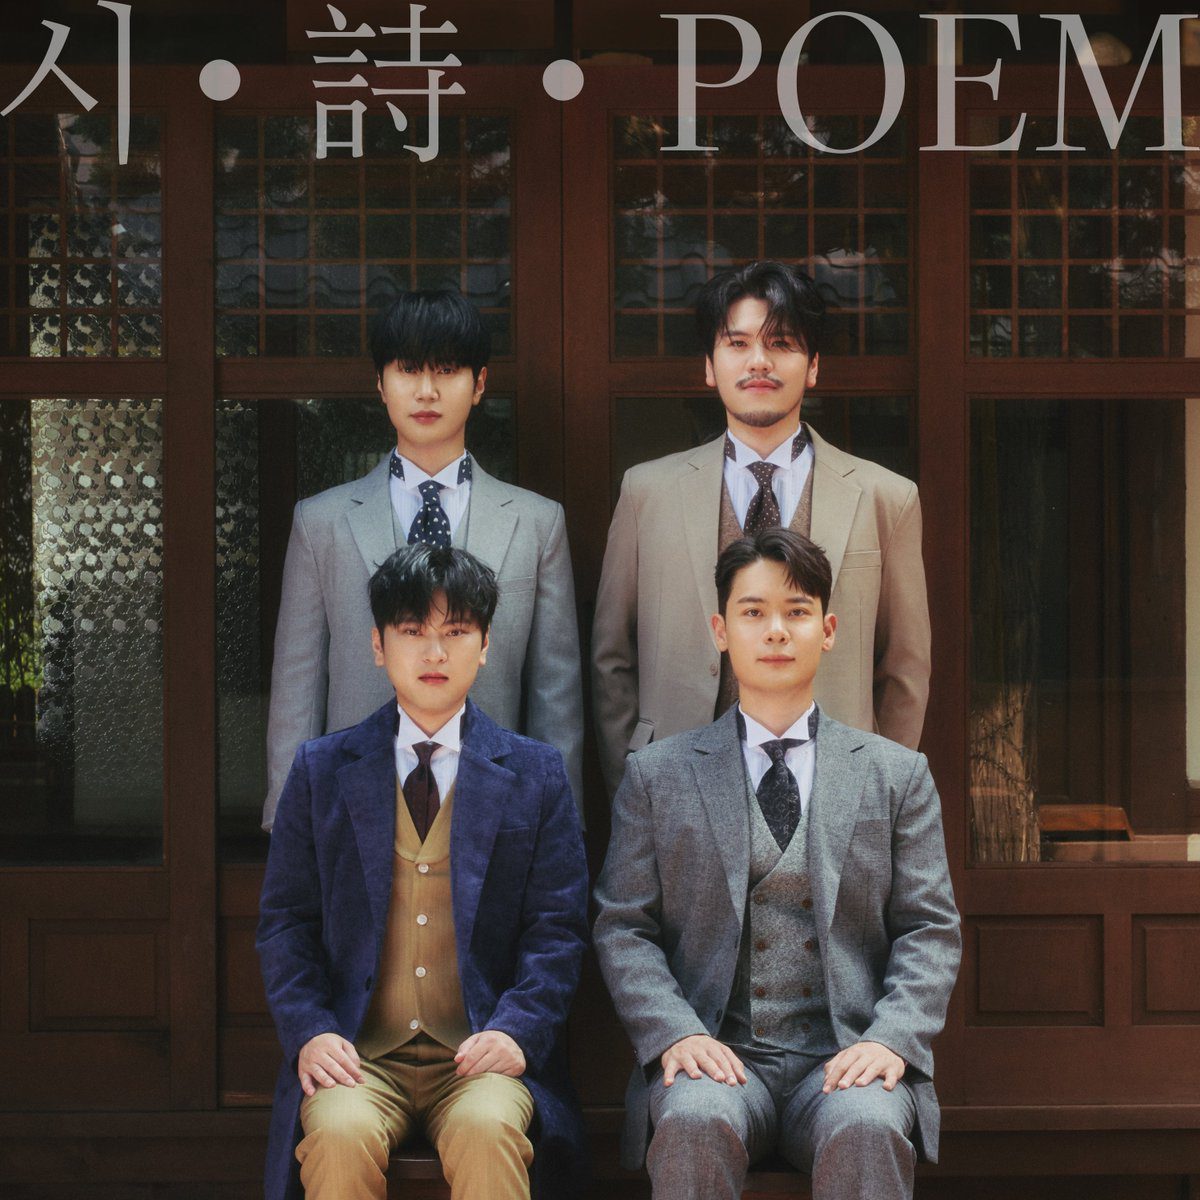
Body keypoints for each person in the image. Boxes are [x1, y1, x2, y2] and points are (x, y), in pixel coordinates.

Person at [593, 529, 959, 1200]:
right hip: (717, 1054)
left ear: (829, 630)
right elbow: (624, 926)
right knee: (693, 1119)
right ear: (720, 631)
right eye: (753, 612)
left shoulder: (896, 775)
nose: (776, 631)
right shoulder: (658, 776)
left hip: (845, 1057)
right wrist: (674, 1032)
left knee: (868, 1125)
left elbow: (929, 928)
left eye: (796, 611)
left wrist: (891, 1039)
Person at [258, 544, 589, 1200]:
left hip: (479, 1056)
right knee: (338, 1135)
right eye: (412, 631)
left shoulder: (536, 773)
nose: (435, 653)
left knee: (489, 1129)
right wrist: (310, 1031)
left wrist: (518, 1030)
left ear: (485, 645)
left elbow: (558, 929)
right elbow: (285, 924)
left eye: (456, 632)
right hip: (359, 1055)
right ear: (378, 645)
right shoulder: (321, 770)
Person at [591, 260, 930, 796]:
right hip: (678, 784)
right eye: (738, 343)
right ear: (710, 366)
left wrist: (880, 792)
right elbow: (612, 659)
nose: (758, 361)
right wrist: (633, 786)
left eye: (781, 343)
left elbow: (905, 669)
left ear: (813, 366)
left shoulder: (886, 497)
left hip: (837, 789)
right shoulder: (646, 492)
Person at [263, 288, 583, 829]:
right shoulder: (321, 522)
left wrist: (558, 823)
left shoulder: (537, 522)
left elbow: (556, 693)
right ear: (380, 384)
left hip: (496, 811)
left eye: (448, 370)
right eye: (409, 369)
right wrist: (288, 817)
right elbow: (298, 686)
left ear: (479, 384)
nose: (427, 390)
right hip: (351, 808)